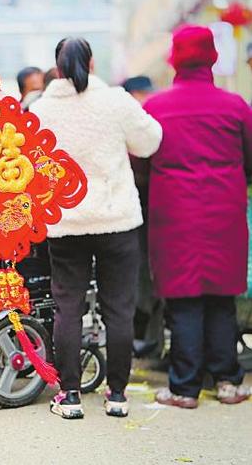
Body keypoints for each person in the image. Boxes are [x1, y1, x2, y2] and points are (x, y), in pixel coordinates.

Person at [30, 37, 162, 420]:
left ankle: (69, 396)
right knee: (118, 310)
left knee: (67, 308)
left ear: (57, 67)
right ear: (91, 63)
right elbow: (151, 141)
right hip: (116, 220)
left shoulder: (41, 111)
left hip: (66, 221)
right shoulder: (116, 101)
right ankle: (117, 395)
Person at [144, 25, 252, 409]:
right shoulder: (236, 106)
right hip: (224, 215)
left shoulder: (155, 108)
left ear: (174, 58)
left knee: (184, 299)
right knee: (222, 298)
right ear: (212, 57)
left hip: (174, 217)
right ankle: (228, 380)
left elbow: (140, 163)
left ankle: (185, 387)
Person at [123, 75, 163, 359]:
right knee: (141, 276)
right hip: (139, 212)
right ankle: (142, 335)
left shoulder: (150, 117)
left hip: (150, 211)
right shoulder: (131, 119)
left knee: (148, 276)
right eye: (141, 93)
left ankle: (148, 336)